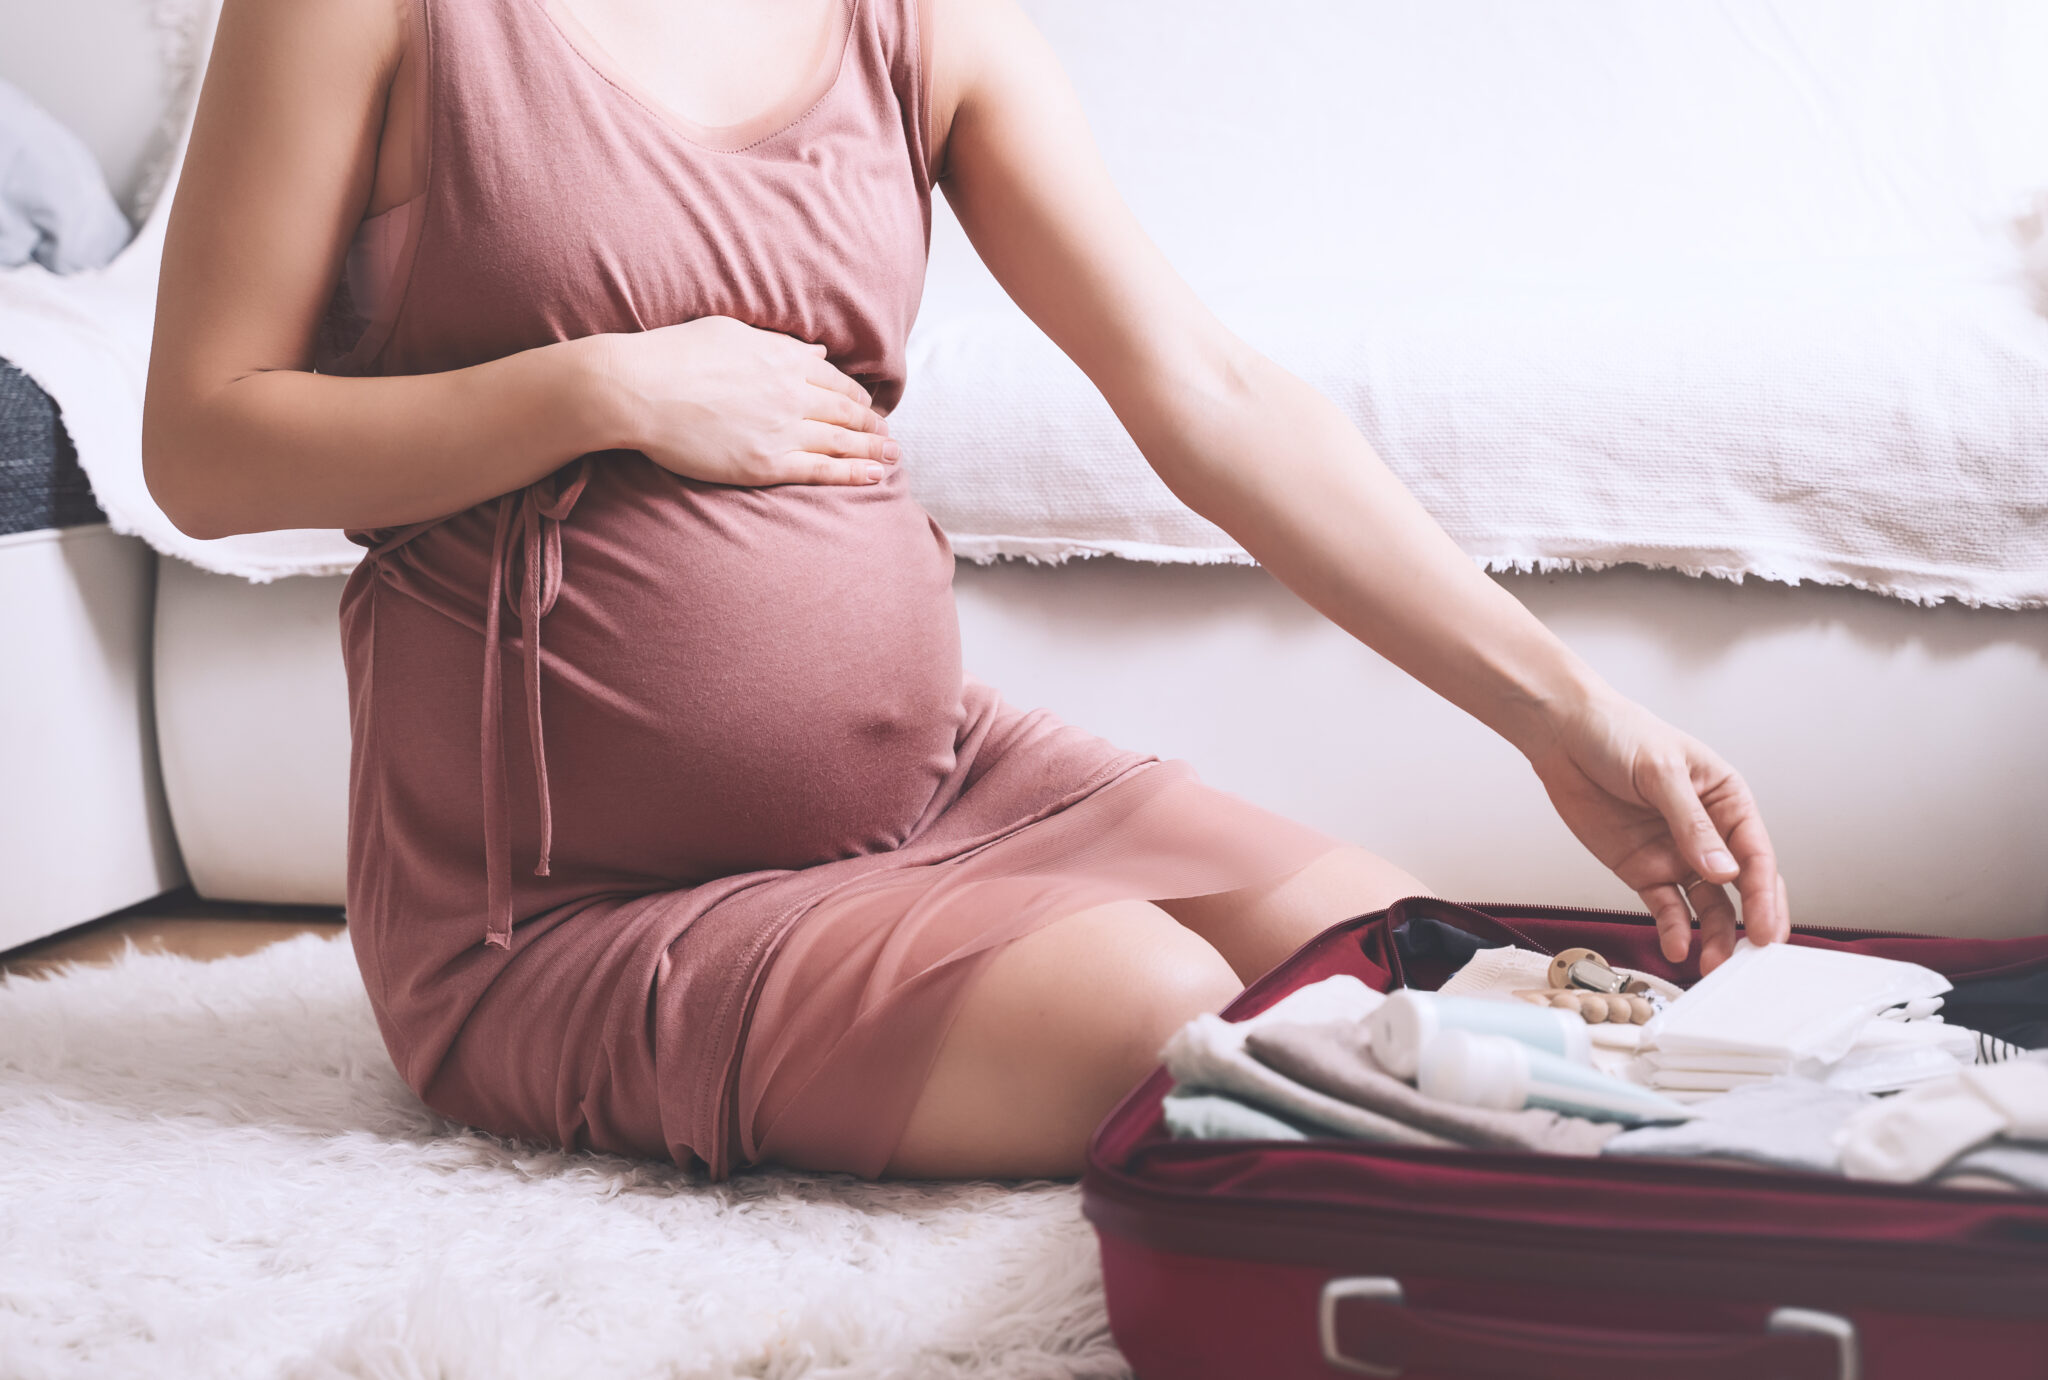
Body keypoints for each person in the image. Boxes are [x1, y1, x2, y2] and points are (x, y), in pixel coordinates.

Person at [142, 0, 1788, 1182]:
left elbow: (1205, 392)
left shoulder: (922, 20)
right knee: (1177, 1023)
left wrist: (1564, 717)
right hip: (571, 905)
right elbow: (203, 447)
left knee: (1404, 967)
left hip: (938, 791)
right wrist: (606, 390)